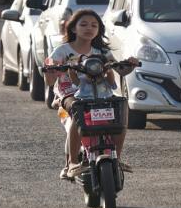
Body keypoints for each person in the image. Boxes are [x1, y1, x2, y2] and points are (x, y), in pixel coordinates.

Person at [44, 9, 138, 179]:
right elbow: (50, 81)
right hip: (71, 93)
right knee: (77, 110)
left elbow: (119, 70)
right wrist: (50, 71)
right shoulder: (62, 51)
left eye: (94, 25)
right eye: (84, 24)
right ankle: (72, 163)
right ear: (73, 28)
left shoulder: (102, 52)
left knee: (121, 108)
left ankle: (116, 157)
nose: (89, 28)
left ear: (99, 30)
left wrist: (130, 63)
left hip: (101, 93)